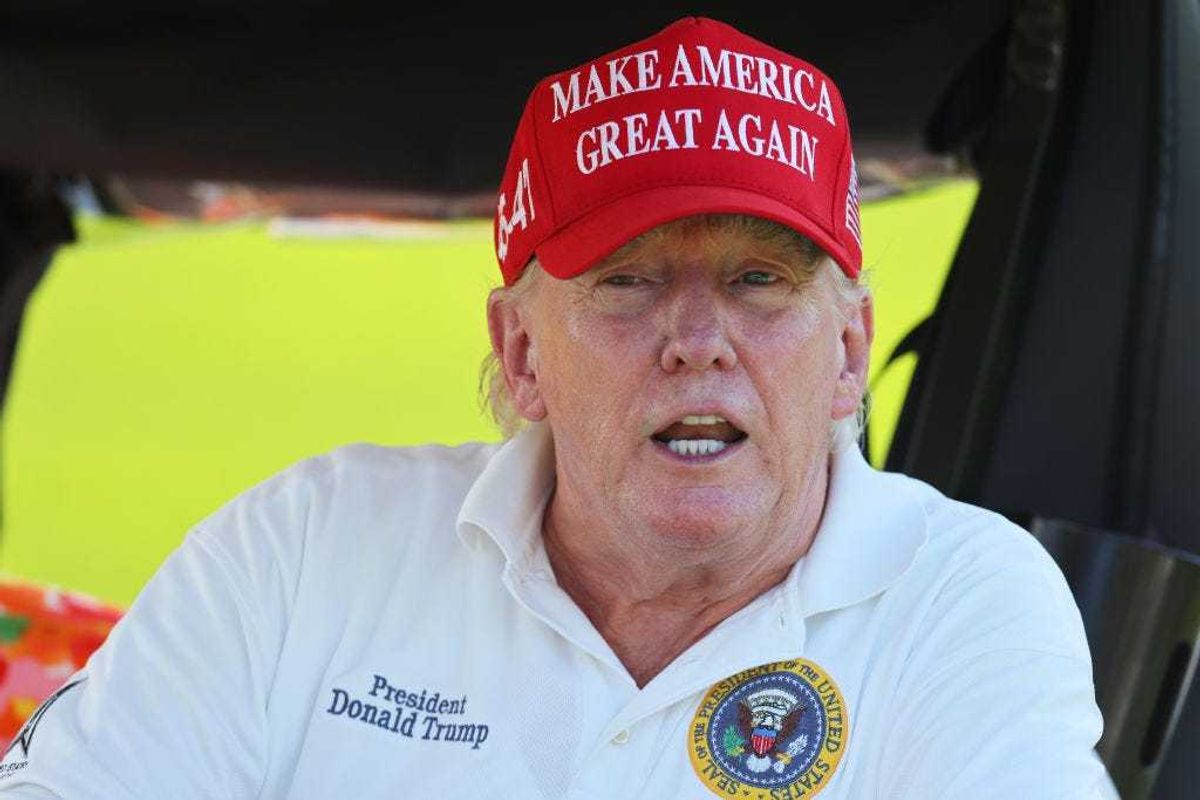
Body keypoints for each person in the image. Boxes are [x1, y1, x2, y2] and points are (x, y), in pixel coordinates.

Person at [1, 16, 1110, 799]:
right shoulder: (306, 546)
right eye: (627, 281)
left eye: (758, 280)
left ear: (849, 351)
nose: (697, 340)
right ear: (520, 351)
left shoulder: (960, 600)